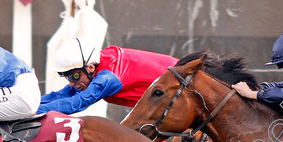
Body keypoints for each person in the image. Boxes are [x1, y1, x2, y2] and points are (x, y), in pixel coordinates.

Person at [37, 38, 179, 114]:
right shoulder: (92, 69)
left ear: (91, 67)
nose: (71, 83)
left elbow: (77, 103)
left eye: (74, 76)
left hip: (181, 88)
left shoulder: (107, 77)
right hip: (164, 97)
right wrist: (30, 106)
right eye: (67, 78)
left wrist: (32, 112)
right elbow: (63, 95)